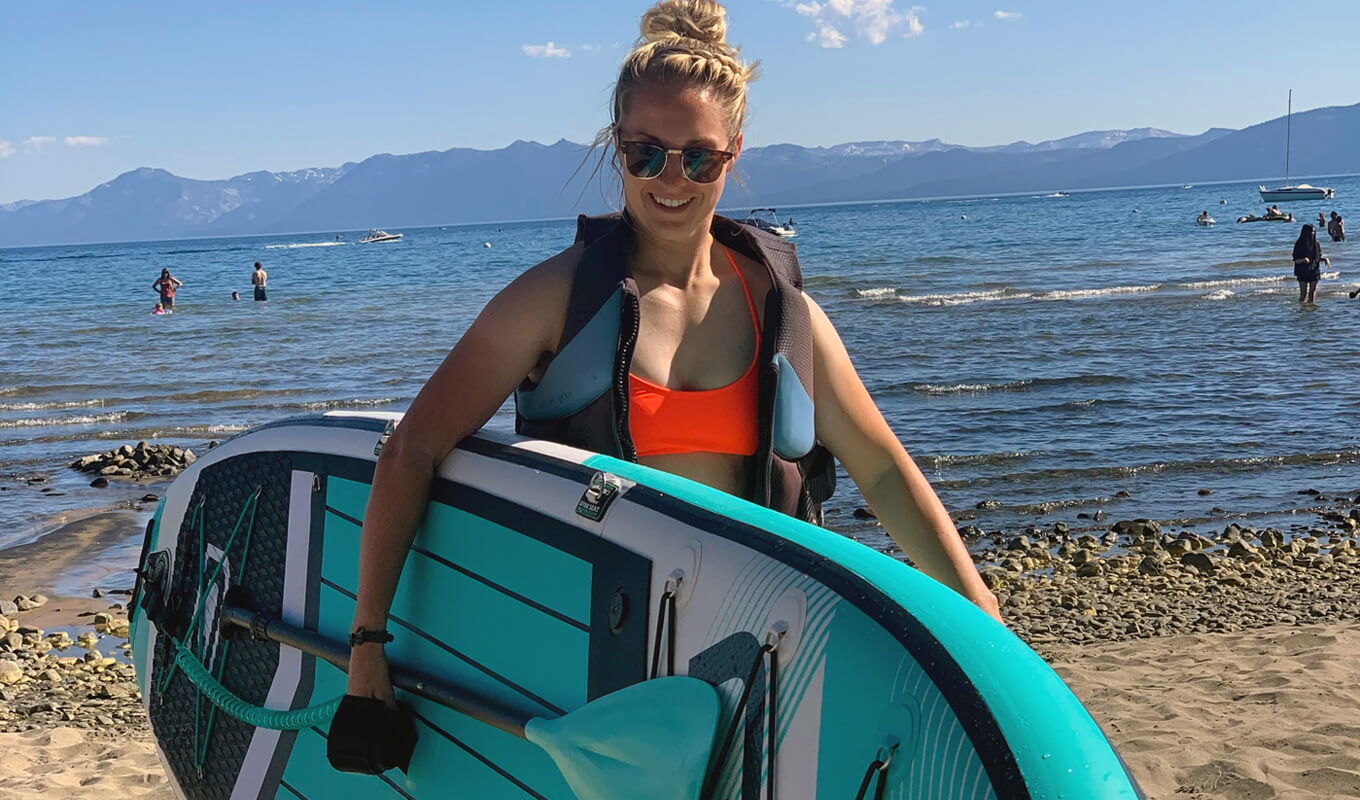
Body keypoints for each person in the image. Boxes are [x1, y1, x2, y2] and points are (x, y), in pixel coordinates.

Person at [344, 0, 1002, 707]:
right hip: (599, 661)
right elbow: (411, 448)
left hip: (753, 661)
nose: (671, 179)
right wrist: (366, 651)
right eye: (645, 152)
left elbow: (884, 473)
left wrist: (987, 630)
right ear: (616, 146)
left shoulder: (787, 316)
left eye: (699, 158)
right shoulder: (553, 302)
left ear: (734, 154)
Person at [1293, 223, 1329, 303]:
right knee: (1303, 294)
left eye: (1314, 231)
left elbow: (1317, 258)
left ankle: (1311, 309)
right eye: (1311, 232)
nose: (1313, 233)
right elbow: (1295, 260)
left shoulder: (1316, 243)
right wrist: (1303, 260)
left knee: (1312, 292)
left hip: (1314, 270)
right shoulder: (1299, 244)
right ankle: (1301, 309)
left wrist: (1325, 259)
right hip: (1302, 270)